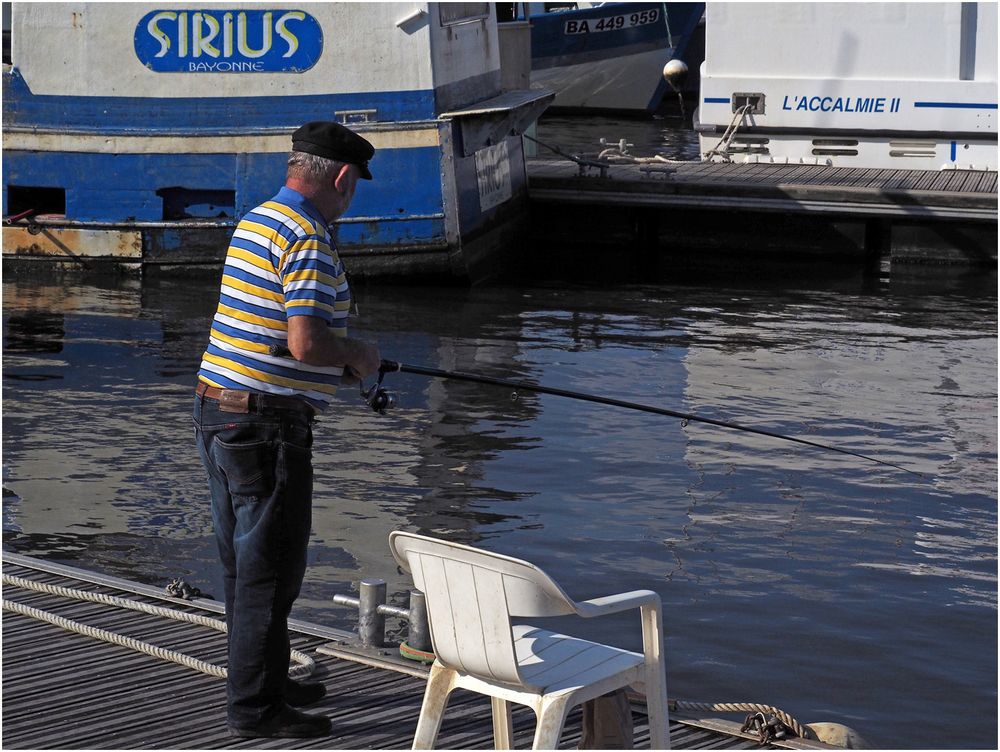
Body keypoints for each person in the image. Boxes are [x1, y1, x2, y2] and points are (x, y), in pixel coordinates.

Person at [192, 121, 381, 739]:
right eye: (354, 188)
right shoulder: (308, 238)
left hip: (219, 410)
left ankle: (268, 679)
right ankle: (255, 711)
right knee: (271, 570)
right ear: (343, 179)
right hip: (266, 427)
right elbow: (306, 343)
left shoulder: (258, 219)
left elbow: (270, 329)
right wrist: (358, 356)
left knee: (242, 564)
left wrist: (338, 360)